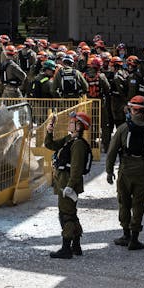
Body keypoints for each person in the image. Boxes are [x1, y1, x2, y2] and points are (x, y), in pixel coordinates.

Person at [105, 95, 144, 251]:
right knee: (139, 204)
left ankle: (125, 235)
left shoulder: (123, 128)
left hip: (126, 169)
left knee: (124, 202)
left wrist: (109, 171)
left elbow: (111, 152)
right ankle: (134, 239)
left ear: (132, 110)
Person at [45, 111, 93, 259]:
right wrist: (49, 131)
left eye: (72, 122)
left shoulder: (78, 144)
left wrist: (70, 186)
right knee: (71, 213)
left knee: (66, 215)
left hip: (68, 182)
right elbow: (50, 145)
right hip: (64, 181)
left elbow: (76, 168)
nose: (69, 123)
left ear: (79, 126)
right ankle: (76, 245)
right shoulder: (69, 139)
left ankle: (66, 248)